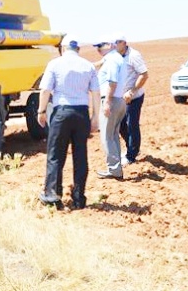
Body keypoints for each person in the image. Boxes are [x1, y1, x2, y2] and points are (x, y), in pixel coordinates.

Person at [37, 40, 100, 209]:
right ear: (78, 49)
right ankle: (79, 198)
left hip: (61, 113)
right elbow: (95, 92)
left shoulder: (55, 64)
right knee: (80, 156)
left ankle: (52, 196)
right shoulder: (88, 66)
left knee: (55, 156)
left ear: (63, 48)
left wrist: (41, 111)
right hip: (81, 114)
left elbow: (45, 90)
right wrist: (95, 117)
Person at [93, 36, 128, 180]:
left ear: (110, 45)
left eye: (101, 45)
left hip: (111, 100)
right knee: (113, 135)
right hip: (118, 100)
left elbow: (112, 82)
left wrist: (107, 101)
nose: (98, 49)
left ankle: (114, 170)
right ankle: (116, 168)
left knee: (107, 136)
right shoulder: (116, 58)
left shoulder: (112, 60)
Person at [112, 34, 149, 165]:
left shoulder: (133, 55)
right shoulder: (114, 55)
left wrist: (132, 91)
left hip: (134, 96)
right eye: (113, 42)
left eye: (117, 42)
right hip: (120, 97)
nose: (114, 45)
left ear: (124, 43)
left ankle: (131, 155)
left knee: (131, 124)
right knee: (121, 125)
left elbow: (144, 74)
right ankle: (132, 148)